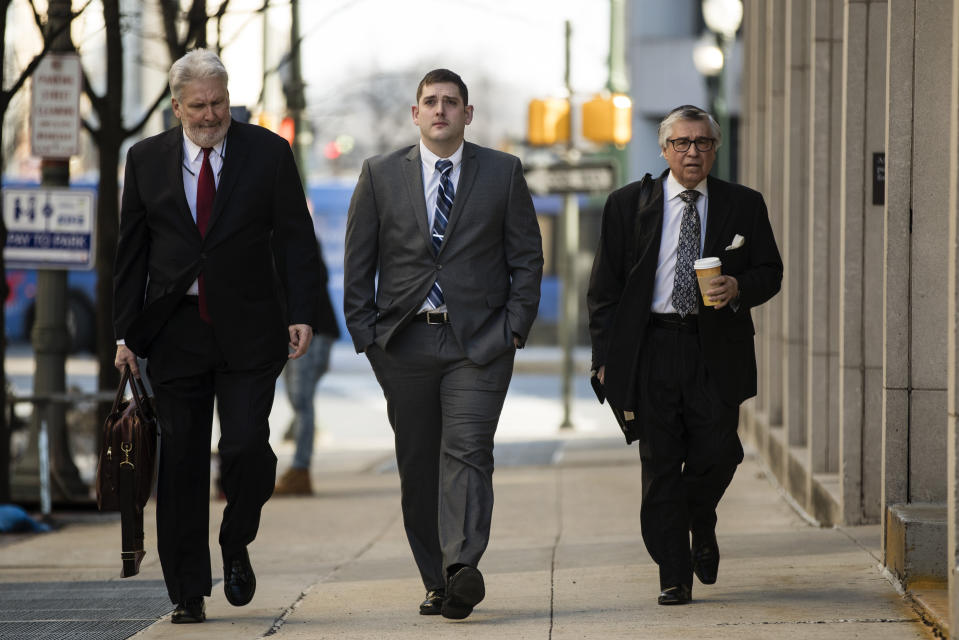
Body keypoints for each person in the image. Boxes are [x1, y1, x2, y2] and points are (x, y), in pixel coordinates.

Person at [113, 49, 322, 624]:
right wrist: (124, 334)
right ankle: (186, 588)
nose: (211, 115)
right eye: (198, 106)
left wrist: (302, 311)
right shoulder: (146, 160)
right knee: (180, 464)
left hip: (252, 330)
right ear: (176, 106)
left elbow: (295, 239)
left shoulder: (269, 153)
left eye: (220, 102)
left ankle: (235, 540)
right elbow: (131, 252)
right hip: (175, 331)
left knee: (245, 450)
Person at [343, 68, 543, 620]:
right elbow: (358, 263)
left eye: (451, 102)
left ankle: (462, 568)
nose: (440, 111)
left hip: (480, 345)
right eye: (430, 102)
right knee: (418, 466)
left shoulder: (502, 173)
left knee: (469, 451)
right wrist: (368, 340)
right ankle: (436, 579)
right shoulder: (380, 175)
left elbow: (526, 257)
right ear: (415, 114)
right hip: (404, 344)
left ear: (467, 114)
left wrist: (514, 328)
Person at [586, 105, 783, 606]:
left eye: (702, 143)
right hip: (651, 346)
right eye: (681, 143)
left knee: (720, 451)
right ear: (664, 148)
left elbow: (771, 271)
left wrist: (739, 284)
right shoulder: (627, 204)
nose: (692, 152)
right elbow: (604, 290)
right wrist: (604, 357)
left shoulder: (744, 204)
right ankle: (673, 572)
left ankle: (702, 518)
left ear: (715, 148)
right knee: (659, 463)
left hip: (714, 348)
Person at [274, 238, 340, 496]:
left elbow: (314, 280)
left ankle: (301, 471)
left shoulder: (299, 239)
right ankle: (299, 467)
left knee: (302, 401)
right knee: (298, 400)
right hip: (297, 331)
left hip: (313, 331)